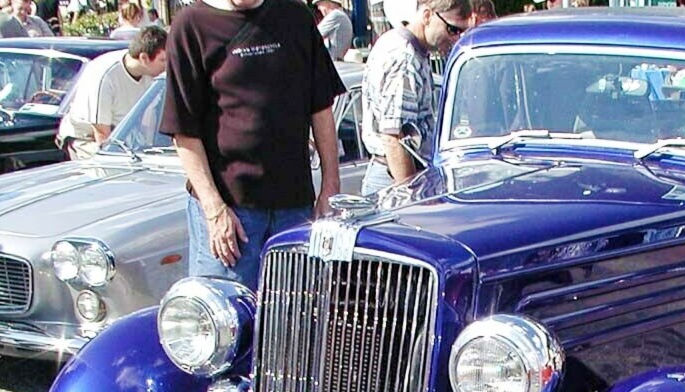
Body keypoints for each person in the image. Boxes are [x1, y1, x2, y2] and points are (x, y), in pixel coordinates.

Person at [159, 0, 345, 291]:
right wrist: (214, 209)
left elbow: (321, 107)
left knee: (293, 308)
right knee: (225, 311)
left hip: (294, 207)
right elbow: (183, 130)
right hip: (231, 211)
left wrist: (331, 186)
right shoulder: (191, 25)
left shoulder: (294, 16)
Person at [360, 0, 471, 195]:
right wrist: (410, 197)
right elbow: (394, 138)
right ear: (427, 16)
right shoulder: (405, 59)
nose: (456, 39)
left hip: (394, 174)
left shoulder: (398, 43)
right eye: (452, 30)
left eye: (462, 32)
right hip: (395, 179)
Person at [58, 26, 168, 159]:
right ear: (144, 58)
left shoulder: (151, 75)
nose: (166, 66)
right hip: (87, 138)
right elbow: (101, 133)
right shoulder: (105, 76)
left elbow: (147, 120)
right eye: (163, 60)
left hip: (124, 136)